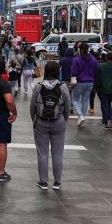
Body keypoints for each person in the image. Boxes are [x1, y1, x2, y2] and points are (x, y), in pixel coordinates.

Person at [32, 60, 71, 190]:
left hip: (41, 123)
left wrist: (35, 120)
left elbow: (32, 106)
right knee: (58, 153)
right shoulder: (63, 86)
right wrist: (64, 120)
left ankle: (43, 181)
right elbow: (67, 106)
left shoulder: (39, 86)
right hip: (58, 122)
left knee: (42, 153)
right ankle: (57, 182)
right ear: (57, 71)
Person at [70, 44, 98, 126]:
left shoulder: (76, 60)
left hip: (79, 82)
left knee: (75, 99)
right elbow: (96, 71)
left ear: (79, 49)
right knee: (85, 100)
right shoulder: (93, 59)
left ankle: (80, 116)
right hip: (90, 82)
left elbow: (73, 72)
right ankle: (82, 117)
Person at [95, 52, 112, 129]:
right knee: (108, 104)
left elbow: (98, 78)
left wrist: (96, 88)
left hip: (103, 89)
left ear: (106, 58)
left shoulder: (101, 66)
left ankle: (106, 121)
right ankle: (111, 119)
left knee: (104, 105)